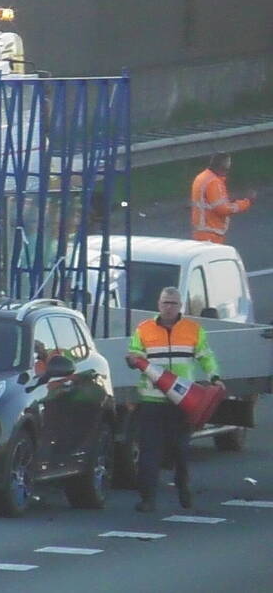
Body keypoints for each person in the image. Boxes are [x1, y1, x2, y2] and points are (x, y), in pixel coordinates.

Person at [125, 286, 222, 512]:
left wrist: (214, 377)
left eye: (173, 303)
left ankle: (182, 485)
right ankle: (147, 499)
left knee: (180, 449)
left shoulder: (193, 330)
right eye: (165, 303)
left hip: (182, 402)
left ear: (181, 306)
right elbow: (134, 352)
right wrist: (132, 360)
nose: (169, 307)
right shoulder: (144, 329)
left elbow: (206, 357)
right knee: (149, 452)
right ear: (158, 304)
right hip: (152, 400)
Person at [190, 152, 255, 244]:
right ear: (223, 166)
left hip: (202, 233)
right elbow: (222, 209)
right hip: (211, 235)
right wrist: (247, 202)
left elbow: (210, 202)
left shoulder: (201, 177)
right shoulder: (214, 182)